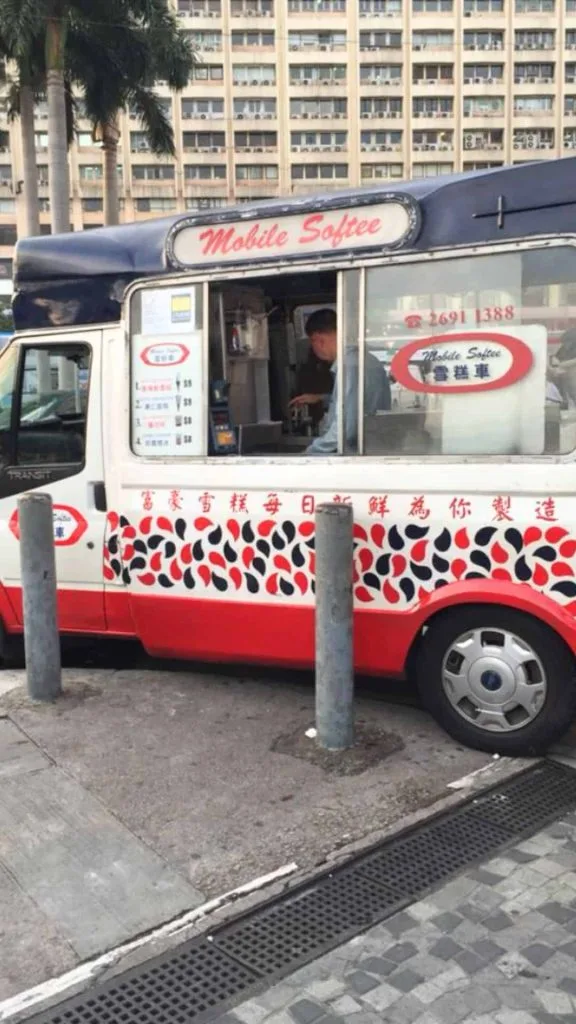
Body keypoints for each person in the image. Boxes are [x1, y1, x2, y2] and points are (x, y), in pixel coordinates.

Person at [289, 308, 391, 454]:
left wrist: (310, 453)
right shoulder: (368, 360)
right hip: (374, 447)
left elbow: (343, 430)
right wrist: (321, 398)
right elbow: (357, 403)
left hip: (357, 452)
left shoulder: (348, 366)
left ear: (318, 340)